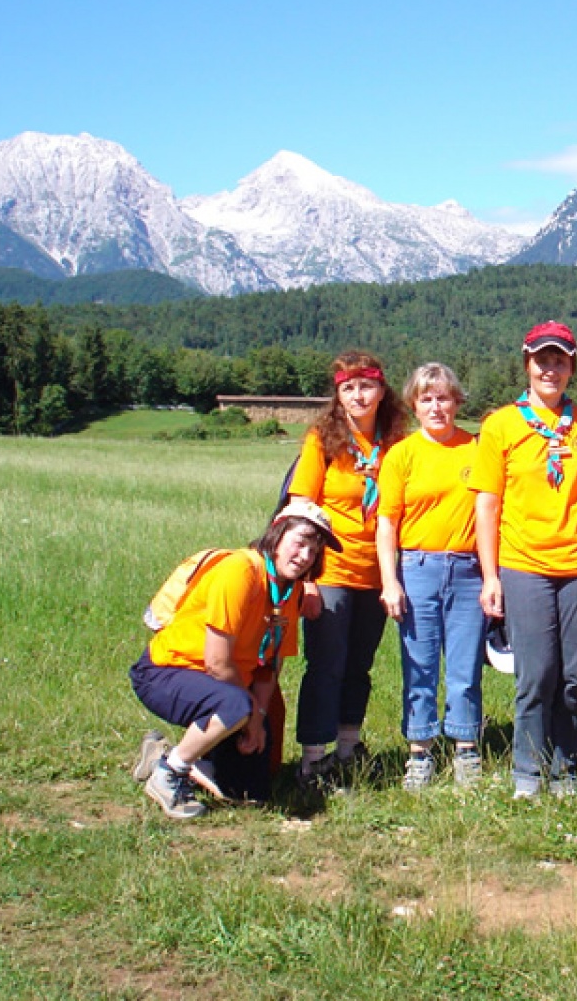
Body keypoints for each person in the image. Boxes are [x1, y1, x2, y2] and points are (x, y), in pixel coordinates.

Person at [470, 321, 577, 798]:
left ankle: (566, 769)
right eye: (542, 360)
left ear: (572, 367)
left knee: (572, 678)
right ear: (527, 364)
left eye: (560, 361)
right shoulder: (501, 425)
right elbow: (487, 505)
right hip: (525, 566)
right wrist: (490, 575)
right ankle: (528, 771)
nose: (550, 369)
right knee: (535, 675)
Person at [129, 500, 338, 819]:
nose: (305, 556)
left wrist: (260, 714)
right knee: (235, 706)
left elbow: (270, 666)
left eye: (315, 550)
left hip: (227, 688)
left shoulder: (290, 591)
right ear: (277, 534)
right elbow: (216, 662)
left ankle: (165, 753)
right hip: (168, 672)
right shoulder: (240, 570)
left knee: (251, 791)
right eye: (300, 542)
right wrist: (250, 715)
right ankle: (170, 773)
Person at [287, 351, 407, 789]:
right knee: (326, 666)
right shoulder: (322, 440)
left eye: (366, 386)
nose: (359, 396)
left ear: (382, 391)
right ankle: (312, 759)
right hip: (331, 571)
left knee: (359, 665)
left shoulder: (397, 443)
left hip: (377, 574)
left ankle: (347, 749)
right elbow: (300, 507)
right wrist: (307, 581)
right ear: (337, 395)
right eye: (349, 388)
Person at [377, 363, 485, 791]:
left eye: (443, 398)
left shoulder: (476, 449)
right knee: (418, 664)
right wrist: (390, 582)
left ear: (457, 402)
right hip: (417, 569)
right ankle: (420, 750)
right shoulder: (401, 455)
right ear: (414, 405)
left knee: (465, 665)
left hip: (468, 571)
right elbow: (387, 523)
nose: (436, 407)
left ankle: (466, 747)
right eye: (427, 399)